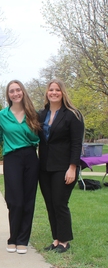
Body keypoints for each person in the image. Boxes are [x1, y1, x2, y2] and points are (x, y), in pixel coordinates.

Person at [0, 80, 40, 254]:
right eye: (12, 91)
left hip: (30, 157)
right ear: (8, 95)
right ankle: (13, 238)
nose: (15, 93)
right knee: (15, 201)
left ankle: (22, 240)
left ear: (23, 92)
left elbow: (41, 137)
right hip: (12, 158)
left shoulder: (33, 114)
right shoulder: (2, 115)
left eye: (18, 90)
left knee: (28, 199)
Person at [38, 79, 84, 253]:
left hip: (64, 167)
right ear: (47, 93)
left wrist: (72, 167)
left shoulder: (73, 114)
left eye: (57, 90)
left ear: (63, 92)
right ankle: (56, 239)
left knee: (60, 202)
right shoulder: (42, 114)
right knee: (50, 203)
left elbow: (76, 144)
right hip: (44, 167)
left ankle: (65, 240)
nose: (54, 92)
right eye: (51, 90)